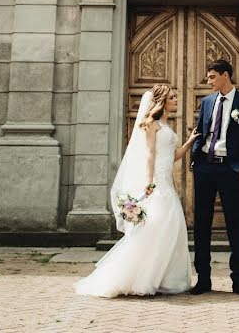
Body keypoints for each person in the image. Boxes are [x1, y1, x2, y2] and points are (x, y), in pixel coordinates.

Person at [74, 84, 199, 298]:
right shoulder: (151, 124)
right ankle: (140, 277)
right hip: (158, 183)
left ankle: (165, 278)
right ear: (162, 102)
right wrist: (149, 182)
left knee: (171, 228)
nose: (176, 100)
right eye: (172, 97)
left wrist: (189, 142)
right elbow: (150, 153)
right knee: (156, 228)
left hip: (167, 181)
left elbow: (172, 156)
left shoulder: (165, 124)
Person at [189, 59, 239, 296]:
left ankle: (238, 280)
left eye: (212, 76)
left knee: (234, 226)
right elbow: (200, 132)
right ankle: (203, 279)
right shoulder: (207, 101)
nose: (208, 81)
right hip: (205, 168)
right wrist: (194, 159)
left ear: (225, 76)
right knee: (201, 225)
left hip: (230, 170)